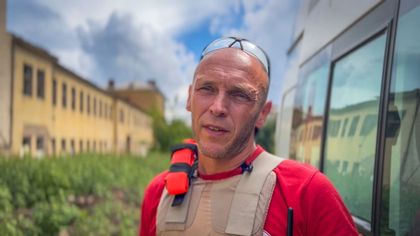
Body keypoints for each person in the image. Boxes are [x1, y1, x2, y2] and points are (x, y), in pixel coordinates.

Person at [139, 37, 359, 236]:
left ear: (262, 113)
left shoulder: (307, 192)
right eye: (207, 88)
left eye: (239, 95)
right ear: (189, 98)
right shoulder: (159, 192)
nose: (218, 107)